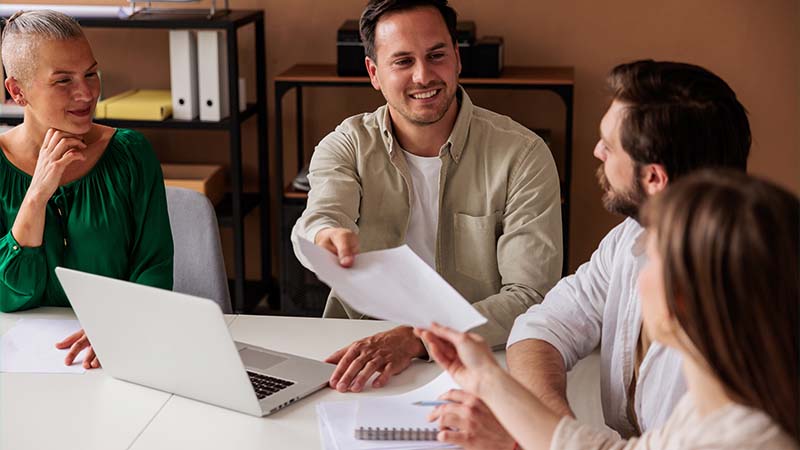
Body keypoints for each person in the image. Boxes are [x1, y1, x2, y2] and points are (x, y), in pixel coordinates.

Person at [428, 59, 753, 448]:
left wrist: (525, 439)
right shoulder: (631, 238)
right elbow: (540, 328)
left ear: (653, 178)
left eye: (610, 145)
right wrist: (542, 427)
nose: (597, 151)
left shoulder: (732, 323)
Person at [291, 0, 563, 393]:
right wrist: (324, 233)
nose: (423, 76)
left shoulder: (523, 154)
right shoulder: (345, 144)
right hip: (364, 357)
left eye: (436, 55)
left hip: (481, 359)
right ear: (374, 73)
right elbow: (322, 215)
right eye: (402, 61)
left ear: (457, 58)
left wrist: (416, 338)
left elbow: (530, 295)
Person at [418, 169, 799, 450]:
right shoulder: (725, 405)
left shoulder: (741, 438)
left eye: (649, 258)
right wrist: (486, 377)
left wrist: (512, 439)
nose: (636, 273)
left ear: (681, 298)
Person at [0, 11, 173, 369]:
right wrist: (37, 195)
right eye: (63, 80)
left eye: (91, 74)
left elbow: (154, 268)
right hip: (20, 367)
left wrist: (117, 325)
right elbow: (8, 296)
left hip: (118, 356)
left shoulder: (131, 154)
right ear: (17, 91)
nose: (86, 93)